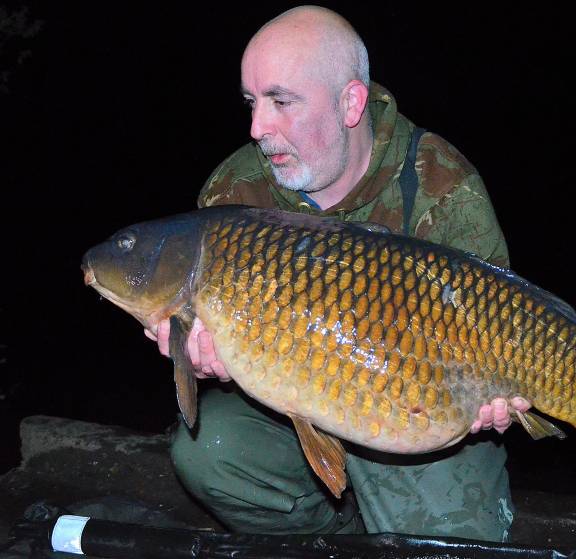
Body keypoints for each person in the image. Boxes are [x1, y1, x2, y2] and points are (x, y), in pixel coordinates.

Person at [147, 5, 531, 542]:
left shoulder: (442, 189)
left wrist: (498, 400)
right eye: (252, 102)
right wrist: (211, 359)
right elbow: (228, 352)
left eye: (281, 101)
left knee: (450, 542)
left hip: (412, 408)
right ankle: (335, 535)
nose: (258, 128)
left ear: (351, 103)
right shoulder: (234, 193)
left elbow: (505, 331)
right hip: (295, 406)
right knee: (209, 452)